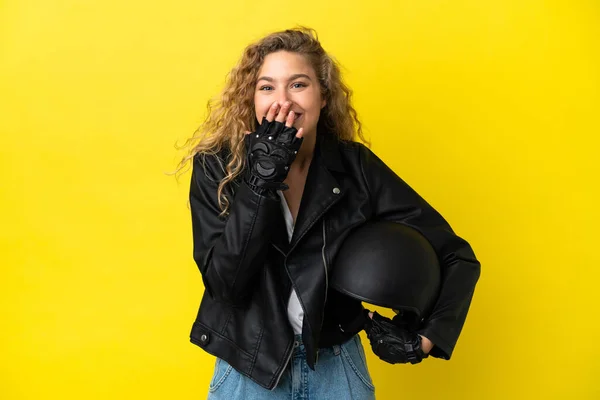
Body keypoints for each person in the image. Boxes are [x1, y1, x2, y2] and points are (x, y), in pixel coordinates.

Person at [175, 27, 481, 399]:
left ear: (323, 96)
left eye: (298, 85)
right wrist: (259, 184)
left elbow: (455, 255)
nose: (282, 101)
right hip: (247, 370)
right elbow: (226, 286)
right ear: (250, 98)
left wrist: (427, 337)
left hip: (337, 368)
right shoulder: (217, 168)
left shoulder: (356, 169)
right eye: (267, 87)